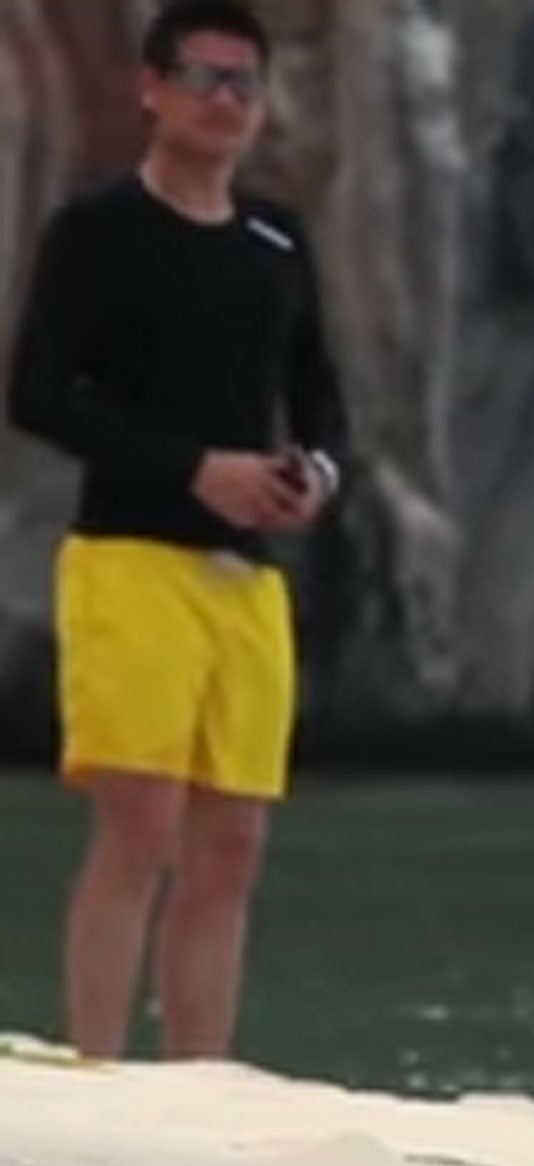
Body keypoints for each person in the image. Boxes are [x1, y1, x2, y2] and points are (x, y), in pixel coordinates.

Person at [6, 1, 347, 1061]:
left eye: (244, 84)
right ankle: (100, 1062)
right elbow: (40, 395)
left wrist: (314, 475)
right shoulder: (97, 230)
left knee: (232, 840)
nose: (225, 103)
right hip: (128, 558)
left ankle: (200, 1075)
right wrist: (196, 468)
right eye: (203, 78)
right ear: (151, 89)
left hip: (246, 575)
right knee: (139, 822)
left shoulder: (274, 237)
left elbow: (319, 395)